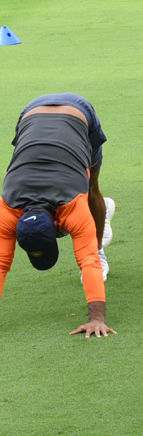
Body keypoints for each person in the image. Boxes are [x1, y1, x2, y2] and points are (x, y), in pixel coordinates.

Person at [1, 94, 115, 337]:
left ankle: (100, 239)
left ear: (56, 222)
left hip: (79, 115)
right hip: (30, 114)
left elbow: (88, 260)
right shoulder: (6, 209)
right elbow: (0, 263)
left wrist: (97, 318)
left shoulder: (73, 204)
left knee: (91, 188)